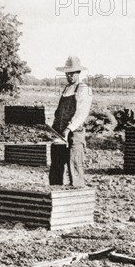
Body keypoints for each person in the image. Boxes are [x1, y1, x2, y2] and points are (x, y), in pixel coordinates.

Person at [49, 56, 92, 187]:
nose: (70, 76)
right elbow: (59, 113)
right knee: (56, 167)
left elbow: (81, 113)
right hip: (59, 134)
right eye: (68, 73)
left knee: (75, 167)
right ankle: (55, 196)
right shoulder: (66, 89)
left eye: (73, 73)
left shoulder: (84, 89)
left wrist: (68, 129)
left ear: (78, 73)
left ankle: (77, 195)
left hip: (75, 135)